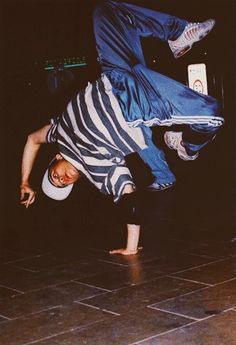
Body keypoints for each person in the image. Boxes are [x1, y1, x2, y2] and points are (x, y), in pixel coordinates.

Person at [20, 1, 224, 255]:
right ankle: (186, 146)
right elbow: (129, 198)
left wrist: (25, 181)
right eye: (64, 185)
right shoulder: (98, 171)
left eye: (55, 177)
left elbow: (31, 140)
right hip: (138, 104)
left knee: (105, 11)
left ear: (56, 159)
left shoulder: (58, 132)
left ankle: (178, 34)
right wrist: (130, 247)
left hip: (113, 73)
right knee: (212, 116)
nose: (62, 179)